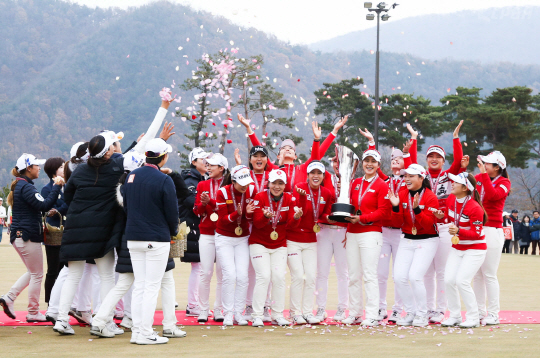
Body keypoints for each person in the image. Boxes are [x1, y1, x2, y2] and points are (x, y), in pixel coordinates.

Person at [121, 138, 179, 345]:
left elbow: (127, 207)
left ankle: (138, 331)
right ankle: (145, 332)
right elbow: (172, 213)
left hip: (133, 236)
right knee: (151, 287)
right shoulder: (164, 179)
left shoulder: (131, 176)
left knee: (141, 286)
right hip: (156, 238)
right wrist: (173, 231)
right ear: (163, 157)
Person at [360, 124, 418, 323]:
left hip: (401, 233)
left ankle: (397, 310)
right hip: (384, 232)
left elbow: (413, 164)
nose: (396, 161)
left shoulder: (409, 182)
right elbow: (372, 165)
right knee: (381, 273)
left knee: (398, 274)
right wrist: (371, 143)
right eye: (392, 159)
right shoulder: (385, 180)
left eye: (399, 159)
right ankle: (380, 308)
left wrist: (408, 152)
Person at [0, 154, 64, 322]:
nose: (38, 168)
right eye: (36, 165)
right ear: (28, 168)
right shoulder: (27, 187)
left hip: (21, 235)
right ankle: (33, 311)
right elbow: (43, 205)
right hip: (27, 235)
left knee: (33, 272)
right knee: (37, 274)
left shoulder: (21, 185)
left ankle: (9, 298)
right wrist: (57, 186)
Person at [247, 169, 303, 327]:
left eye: (280, 183)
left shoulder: (290, 199)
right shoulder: (260, 197)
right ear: (268, 183)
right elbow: (257, 223)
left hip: (279, 244)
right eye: (274, 183)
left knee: (278, 277)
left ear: (285, 185)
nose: (277, 186)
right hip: (259, 243)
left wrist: (296, 218)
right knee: (264, 276)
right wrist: (265, 217)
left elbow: (291, 225)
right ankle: (257, 315)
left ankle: (277, 314)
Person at [341, 150, 391, 326]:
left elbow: (383, 212)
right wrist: (348, 229)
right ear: (362, 163)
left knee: (370, 275)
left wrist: (362, 219)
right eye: (366, 161)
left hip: (371, 233)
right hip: (353, 233)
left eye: (373, 161)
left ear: (378, 165)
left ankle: (371, 314)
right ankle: (355, 313)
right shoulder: (355, 182)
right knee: (353, 275)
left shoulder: (382, 185)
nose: (369, 164)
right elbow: (350, 208)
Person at [423, 120, 464, 324]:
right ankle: (428, 308)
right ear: (426, 159)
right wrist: (413, 141)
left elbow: (458, 159)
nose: (434, 159)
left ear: (443, 160)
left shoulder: (449, 176)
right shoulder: (420, 176)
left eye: (438, 156)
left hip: (444, 228)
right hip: (425, 227)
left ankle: (440, 310)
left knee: (442, 271)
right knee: (426, 271)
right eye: (431, 156)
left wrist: (456, 138)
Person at [388, 164, 439, 327]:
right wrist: (395, 206)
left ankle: (422, 314)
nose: (406, 179)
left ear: (421, 178)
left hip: (427, 239)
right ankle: (411, 312)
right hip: (407, 238)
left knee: (415, 276)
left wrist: (417, 209)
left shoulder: (430, 197)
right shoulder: (401, 194)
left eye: (411, 176)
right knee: (399, 277)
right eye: (405, 176)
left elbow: (428, 224)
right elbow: (396, 222)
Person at [436, 173, 487, 328]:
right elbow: (450, 218)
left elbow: (477, 233)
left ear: (465, 188)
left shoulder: (475, 207)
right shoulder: (452, 199)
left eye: (456, 182)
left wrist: (458, 231)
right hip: (458, 247)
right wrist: (441, 217)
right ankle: (455, 316)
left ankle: (473, 317)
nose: (452, 183)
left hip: (475, 248)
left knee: (462, 281)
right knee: (449, 280)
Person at [289, 161, 335, 325]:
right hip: (293, 238)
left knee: (310, 277)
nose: (316, 176)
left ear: (323, 176)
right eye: (312, 173)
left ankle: (307, 312)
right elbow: (298, 212)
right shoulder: (298, 187)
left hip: (311, 239)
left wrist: (329, 218)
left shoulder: (327, 193)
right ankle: (295, 312)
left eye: (319, 173)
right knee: (298, 276)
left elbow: (324, 214)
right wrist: (301, 197)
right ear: (307, 175)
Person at [471, 151, 511, 325]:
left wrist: (483, 177)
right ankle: (480, 311)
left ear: (497, 167)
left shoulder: (505, 182)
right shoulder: (479, 178)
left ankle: (493, 313)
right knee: (477, 274)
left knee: (489, 274)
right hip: (477, 228)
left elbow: (494, 195)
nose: (484, 165)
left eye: (488, 163)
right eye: (484, 163)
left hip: (493, 230)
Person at [215, 165, 256, 326]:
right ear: (233, 181)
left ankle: (239, 312)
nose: (245, 186)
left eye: (247, 182)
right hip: (224, 237)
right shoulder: (223, 192)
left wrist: (248, 213)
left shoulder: (251, 190)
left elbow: (252, 215)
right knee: (229, 275)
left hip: (242, 238)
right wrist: (237, 214)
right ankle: (228, 313)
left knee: (242, 276)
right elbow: (222, 219)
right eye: (242, 183)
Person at [195, 153, 230, 323]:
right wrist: (203, 204)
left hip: (225, 233)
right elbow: (196, 211)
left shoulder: (229, 185)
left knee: (222, 273)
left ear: (222, 168)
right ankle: (203, 309)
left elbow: (226, 209)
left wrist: (210, 202)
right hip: (207, 232)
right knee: (205, 272)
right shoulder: (202, 184)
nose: (208, 168)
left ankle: (218, 309)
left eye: (212, 165)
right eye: (207, 165)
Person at [314, 154, 349, 322]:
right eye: (335, 161)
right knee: (321, 272)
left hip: (343, 232)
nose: (337, 164)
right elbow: (315, 157)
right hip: (324, 230)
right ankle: (321, 308)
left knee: (343, 273)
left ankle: (342, 308)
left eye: (341, 162)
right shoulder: (325, 176)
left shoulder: (352, 181)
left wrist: (350, 230)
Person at [178, 147, 208, 317]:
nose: (206, 162)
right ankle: (193, 304)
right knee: (198, 266)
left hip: (196, 227)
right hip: (192, 227)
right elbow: (191, 202)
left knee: (199, 266)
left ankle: (195, 304)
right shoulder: (190, 180)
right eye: (202, 159)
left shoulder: (199, 179)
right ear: (194, 162)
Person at [41, 157, 69, 304]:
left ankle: (63, 303)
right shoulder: (47, 189)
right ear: (53, 171)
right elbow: (47, 208)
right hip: (54, 234)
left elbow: (68, 204)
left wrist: (58, 209)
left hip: (69, 232)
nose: (64, 169)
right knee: (53, 269)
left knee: (67, 270)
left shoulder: (69, 185)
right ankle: (50, 303)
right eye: (61, 167)